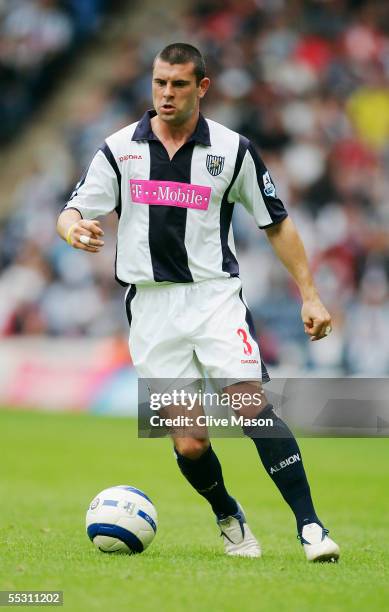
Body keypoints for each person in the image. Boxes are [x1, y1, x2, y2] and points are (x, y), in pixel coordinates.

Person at [57, 43, 340, 562]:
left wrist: (311, 294)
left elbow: (276, 221)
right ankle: (228, 514)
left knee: (249, 406)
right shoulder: (120, 149)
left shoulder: (232, 151)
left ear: (201, 87)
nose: (166, 93)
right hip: (151, 308)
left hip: (214, 299)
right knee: (189, 443)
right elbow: (72, 209)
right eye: (160, 82)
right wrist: (74, 229)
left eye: (179, 84)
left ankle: (312, 528)